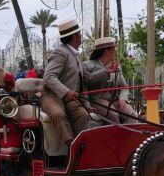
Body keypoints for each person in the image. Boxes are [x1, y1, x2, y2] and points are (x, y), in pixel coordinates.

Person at [41, 17, 90, 145]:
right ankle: (72, 147)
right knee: (58, 113)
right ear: (75, 36)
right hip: (51, 95)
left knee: (83, 114)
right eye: (80, 33)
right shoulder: (61, 52)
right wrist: (67, 92)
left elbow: (83, 82)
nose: (81, 36)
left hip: (69, 99)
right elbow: (49, 76)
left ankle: (81, 147)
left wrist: (88, 106)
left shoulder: (76, 55)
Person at [83, 37, 137, 124]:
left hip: (115, 100)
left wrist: (122, 98)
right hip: (97, 100)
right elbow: (88, 81)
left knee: (131, 114)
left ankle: (129, 137)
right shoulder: (88, 65)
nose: (115, 52)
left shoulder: (116, 66)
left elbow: (123, 86)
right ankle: (116, 137)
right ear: (106, 51)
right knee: (112, 115)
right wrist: (106, 71)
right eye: (113, 49)